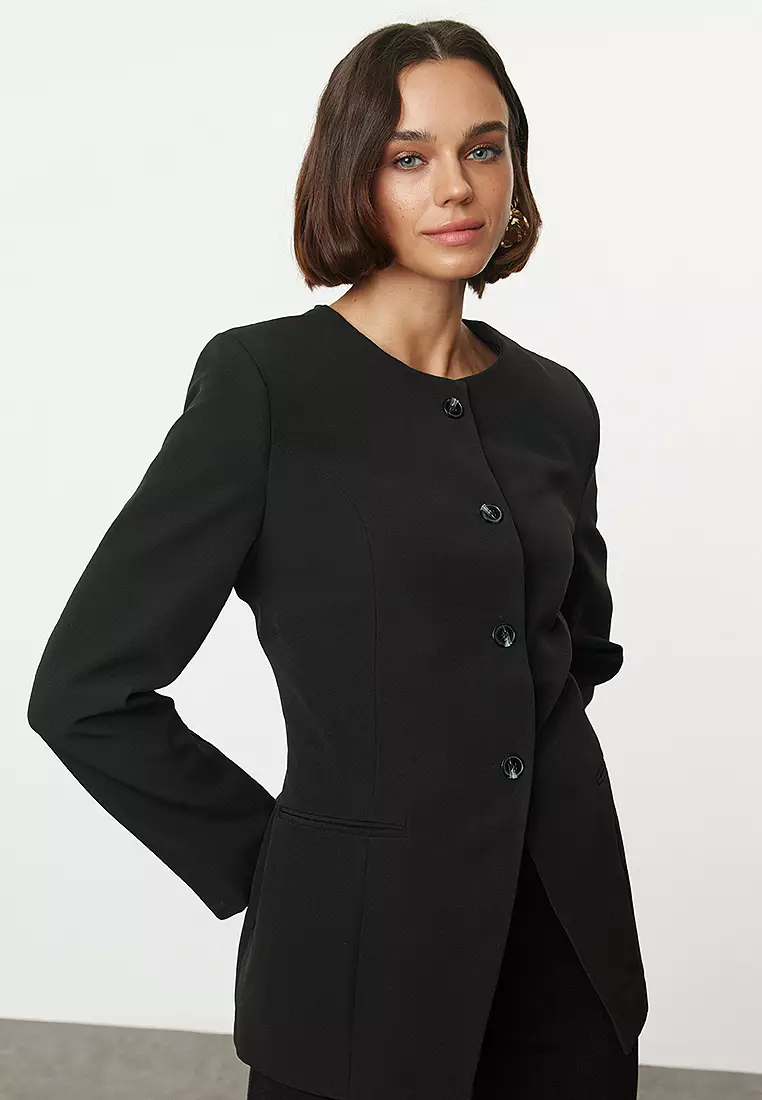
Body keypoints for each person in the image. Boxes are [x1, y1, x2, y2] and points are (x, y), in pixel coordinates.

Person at [27, 18, 647, 1100]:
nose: (456, 186)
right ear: (353, 174)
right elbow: (84, 692)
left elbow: (571, 649)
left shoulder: (555, 403)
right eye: (410, 156)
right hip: (359, 963)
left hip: (570, 954)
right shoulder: (266, 386)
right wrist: (275, 861)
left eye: (485, 148)